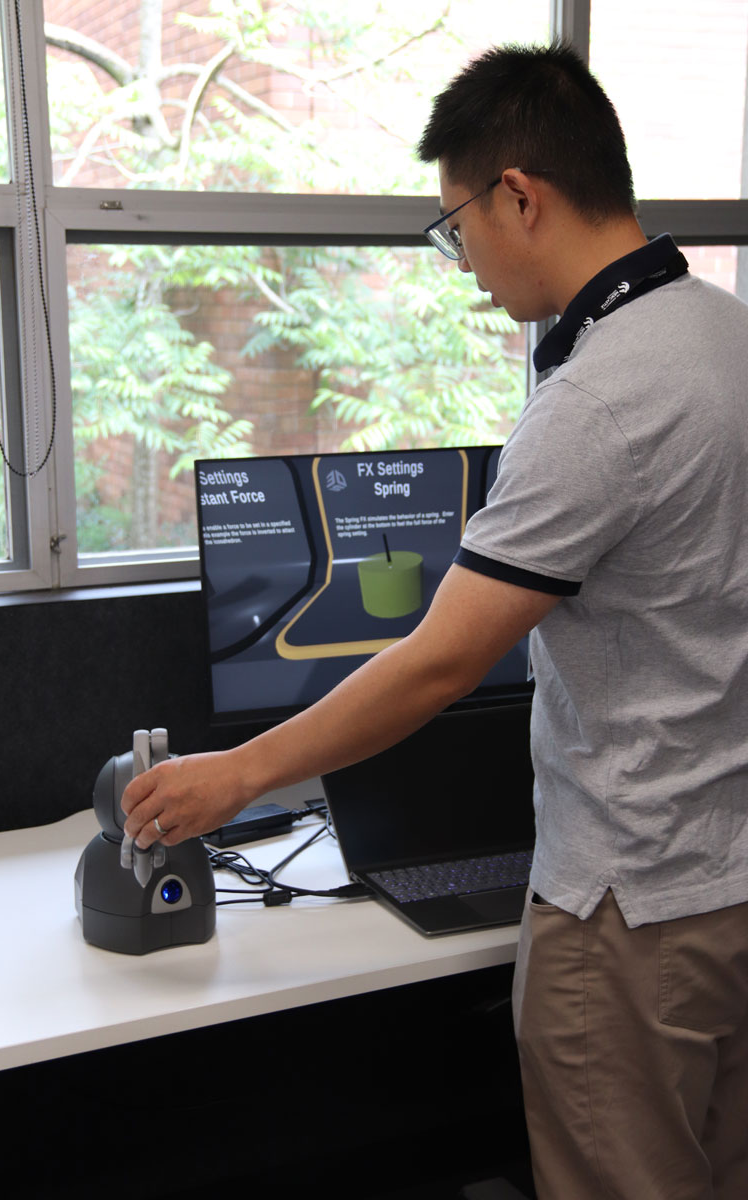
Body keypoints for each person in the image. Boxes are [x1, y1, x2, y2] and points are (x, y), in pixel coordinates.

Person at [123, 41, 748, 1200]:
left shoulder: (596, 400)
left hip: (628, 904)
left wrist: (234, 777)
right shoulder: (725, 332)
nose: (463, 269)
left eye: (455, 228)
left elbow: (437, 663)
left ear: (519, 195)